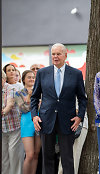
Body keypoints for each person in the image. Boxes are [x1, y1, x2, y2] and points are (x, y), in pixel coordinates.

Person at [31, 43, 87, 174]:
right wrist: (34, 116)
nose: (55, 57)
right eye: (53, 54)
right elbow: (34, 97)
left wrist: (80, 117)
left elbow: (82, 98)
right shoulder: (42, 73)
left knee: (67, 158)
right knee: (47, 158)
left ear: (65, 55)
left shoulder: (76, 74)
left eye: (58, 54)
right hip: (45, 120)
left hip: (68, 120)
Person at [15, 70, 41, 174]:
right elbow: (24, 109)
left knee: (36, 154)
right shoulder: (19, 93)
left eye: (33, 77)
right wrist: (30, 96)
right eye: (29, 77)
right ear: (24, 79)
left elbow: (42, 107)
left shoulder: (40, 91)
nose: (32, 79)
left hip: (39, 122)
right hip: (26, 123)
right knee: (29, 155)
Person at [2, 70, 23, 174]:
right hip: (2, 130)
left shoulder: (11, 88)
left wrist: (3, 112)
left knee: (14, 155)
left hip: (14, 127)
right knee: (3, 158)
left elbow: (9, 104)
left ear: (3, 79)